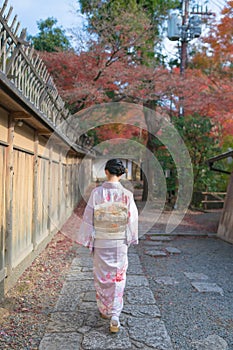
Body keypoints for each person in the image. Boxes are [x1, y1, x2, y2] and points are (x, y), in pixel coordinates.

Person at [78, 159, 138, 333]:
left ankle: (105, 310)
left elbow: (89, 218)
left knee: (102, 276)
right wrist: (130, 238)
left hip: (102, 240)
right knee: (118, 276)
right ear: (120, 174)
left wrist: (87, 240)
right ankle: (115, 316)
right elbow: (132, 219)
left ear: (106, 172)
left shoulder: (97, 193)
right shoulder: (127, 194)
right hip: (119, 241)